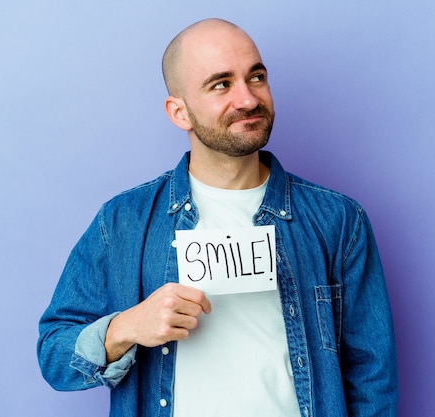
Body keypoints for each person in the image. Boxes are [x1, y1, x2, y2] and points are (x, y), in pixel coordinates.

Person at [37, 18, 398, 417]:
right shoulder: (123, 222)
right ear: (180, 112)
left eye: (256, 77)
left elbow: (372, 375)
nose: (247, 99)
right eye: (221, 84)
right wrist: (128, 326)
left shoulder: (339, 220)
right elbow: (55, 357)